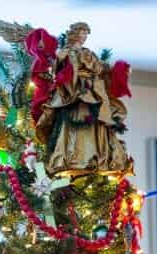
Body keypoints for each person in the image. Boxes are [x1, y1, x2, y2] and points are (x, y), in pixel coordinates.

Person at [34, 22, 133, 176]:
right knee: (75, 119)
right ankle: (74, 158)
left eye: (86, 34)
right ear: (74, 33)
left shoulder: (88, 53)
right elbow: (59, 70)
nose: (84, 36)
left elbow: (101, 69)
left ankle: (97, 156)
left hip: (93, 91)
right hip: (75, 92)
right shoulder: (66, 52)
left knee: (97, 121)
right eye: (82, 33)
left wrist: (119, 69)